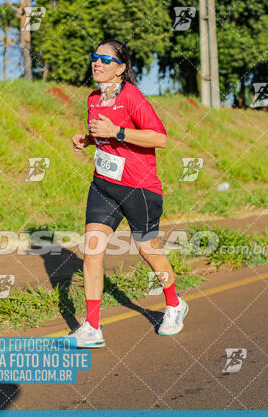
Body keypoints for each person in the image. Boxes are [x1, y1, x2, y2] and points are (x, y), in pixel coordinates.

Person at [71, 39, 188, 348]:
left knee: (148, 251)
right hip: (104, 186)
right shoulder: (93, 98)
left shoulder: (132, 96)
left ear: (121, 68)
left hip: (140, 188)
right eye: (94, 57)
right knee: (92, 251)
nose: (97, 63)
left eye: (105, 60)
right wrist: (89, 139)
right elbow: (107, 140)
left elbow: (159, 139)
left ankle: (174, 304)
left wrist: (117, 132)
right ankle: (92, 327)